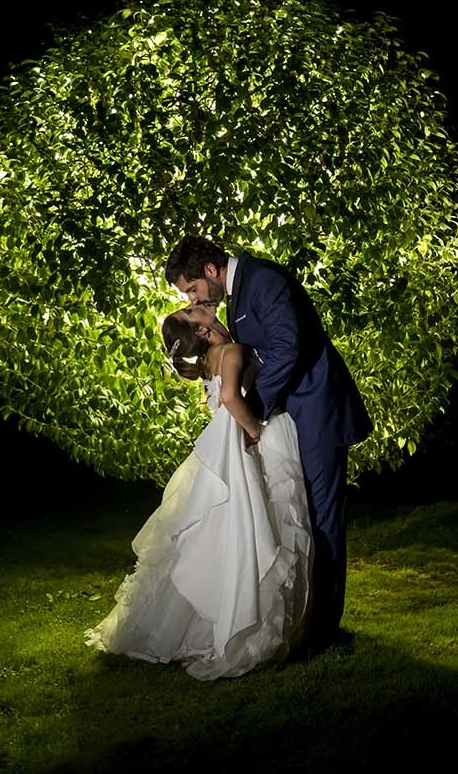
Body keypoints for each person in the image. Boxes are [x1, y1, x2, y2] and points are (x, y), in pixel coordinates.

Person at [166, 235, 372, 651]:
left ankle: (324, 630)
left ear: (210, 269)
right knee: (308, 516)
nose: (194, 297)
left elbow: (287, 348)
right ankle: (311, 621)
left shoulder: (262, 281)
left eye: (192, 289)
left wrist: (253, 409)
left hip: (317, 408)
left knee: (324, 517)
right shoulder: (242, 294)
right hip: (295, 413)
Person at [85, 308, 313, 679]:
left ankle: (200, 622)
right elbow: (229, 398)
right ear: (203, 331)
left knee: (228, 534)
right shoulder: (233, 351)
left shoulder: (210, 360)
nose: (202, 307)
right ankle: (250, 630)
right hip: (256, 438)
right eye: (194, 311)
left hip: (225, 453)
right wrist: (255, 429)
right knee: (267, 523)